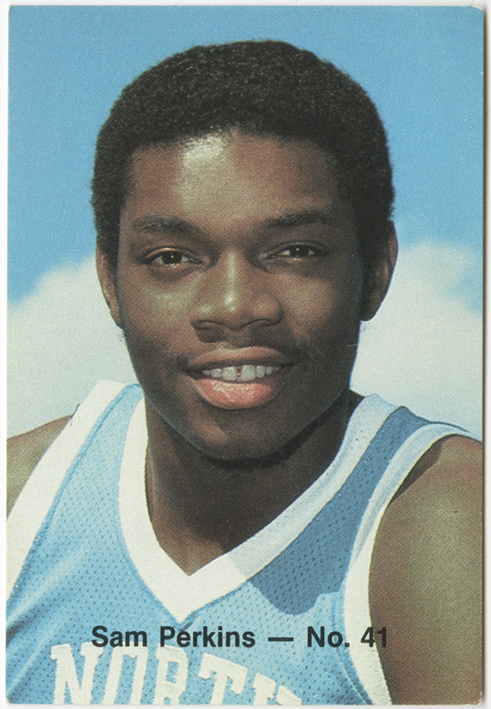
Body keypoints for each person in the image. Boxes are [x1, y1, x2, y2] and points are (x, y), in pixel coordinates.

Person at [7, 41, 481, 705]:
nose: (233, 306)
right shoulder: (23, 507)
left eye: (295, 251)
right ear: (110, 280)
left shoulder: (450, 519)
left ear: (375, 269)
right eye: (172, 257)